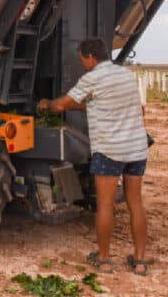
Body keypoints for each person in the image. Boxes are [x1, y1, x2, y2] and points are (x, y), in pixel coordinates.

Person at [38, 38, 149, 276]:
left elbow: (62, 105)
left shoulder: (92, 78)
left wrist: (47, 104)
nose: (82, 64)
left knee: (105, 206)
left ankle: (105, 260)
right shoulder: (125, 75)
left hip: (110, 151)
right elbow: (137, 109)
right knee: (136, 204)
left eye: (82, 59)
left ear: (90, 57)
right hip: (137, 149)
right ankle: (139, 262)